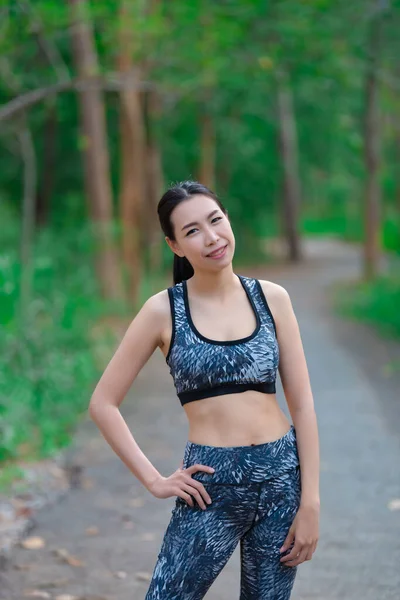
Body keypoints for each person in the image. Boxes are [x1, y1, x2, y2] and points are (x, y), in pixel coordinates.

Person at [88, 180, 320, 599]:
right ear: (174, 245)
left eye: (215, 220)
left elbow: (302, 404)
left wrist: (311, 503)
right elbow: (103, 403)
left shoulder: (272, 298)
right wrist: (155, 480)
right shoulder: (162, 310)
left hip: (282, 478)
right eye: (192, 230)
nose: (212, 237)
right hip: (211, 485)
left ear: (228, 220)